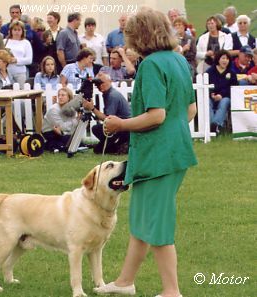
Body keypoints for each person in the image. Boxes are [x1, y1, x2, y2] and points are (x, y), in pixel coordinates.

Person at [94, 8, 197, 297]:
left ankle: (171, 291)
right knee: (141, 220)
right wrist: (170, 132)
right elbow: (190, 110)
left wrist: (119, 123)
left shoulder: (151, 65)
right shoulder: (178, 59)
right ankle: (125, 282)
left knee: (158, 227)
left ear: (140, 36)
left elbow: (156, 115)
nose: (128, 42)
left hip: (158, 157)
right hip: (173, 152)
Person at [82, 72, 130, 154]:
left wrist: (92, 108)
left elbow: (108, 119)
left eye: (102, 83)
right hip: (121, 126)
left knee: (98, 146)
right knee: (96, 130)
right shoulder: (108, 93)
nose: (100, 85)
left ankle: (120, 145)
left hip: (124, 128)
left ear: (110, 82)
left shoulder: (112, 95)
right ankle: (117, 145)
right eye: (98, 83)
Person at [206, 50, 238, 134]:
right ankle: (212, 126)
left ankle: (216, 124)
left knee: (224, 102)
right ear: (218, 59)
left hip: (225, 96)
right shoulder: (210, 71)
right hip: (211, 96)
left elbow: (233, 88)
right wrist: (211, 94)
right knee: (207, 102)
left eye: (227, 59)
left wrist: (221, 95)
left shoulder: (232, 73)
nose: (225, 61)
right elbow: (206, 84)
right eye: (223, 58)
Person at [42, 87, 78, 152]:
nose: (60, 97)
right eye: (59, 95)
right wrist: (75, 120)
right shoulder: (53, 109)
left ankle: (55, 145)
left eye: (63, 95)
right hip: (50, 132)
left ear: (69, 98)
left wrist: (65, 130)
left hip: (62, 132)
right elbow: (62, 126)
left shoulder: (71, 108)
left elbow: (72, 127)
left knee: (73, 139)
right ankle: (49, 145)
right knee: (69, 140)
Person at [3, 20, 32, 88]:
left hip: (20, 73)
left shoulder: (26, 43)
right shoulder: (5, 41)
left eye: (19, 30)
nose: (17, 32)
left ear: (22, 31)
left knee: (21, 93)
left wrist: (16, 60)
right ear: (11, 31)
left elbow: (29, 60)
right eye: (15, 29)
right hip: (7, 72)